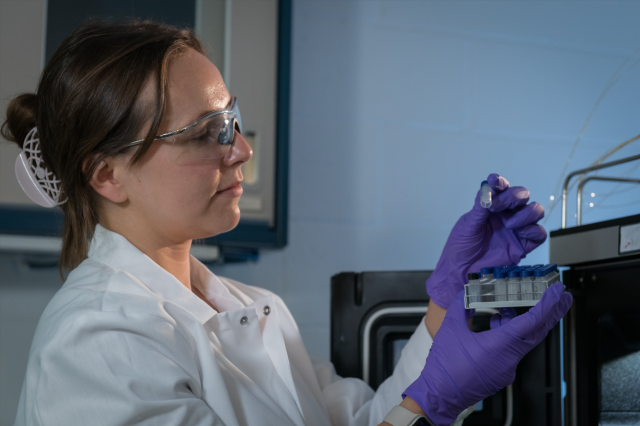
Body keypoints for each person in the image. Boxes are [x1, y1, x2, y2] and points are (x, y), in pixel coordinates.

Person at [2, 20, 571, 426]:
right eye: (207, 133)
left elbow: (373, 420)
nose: (243, 151)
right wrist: (430, 407)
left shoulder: (255, 308)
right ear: (107, 176)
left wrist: (443, 312)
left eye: (232, 121)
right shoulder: (95, 344)